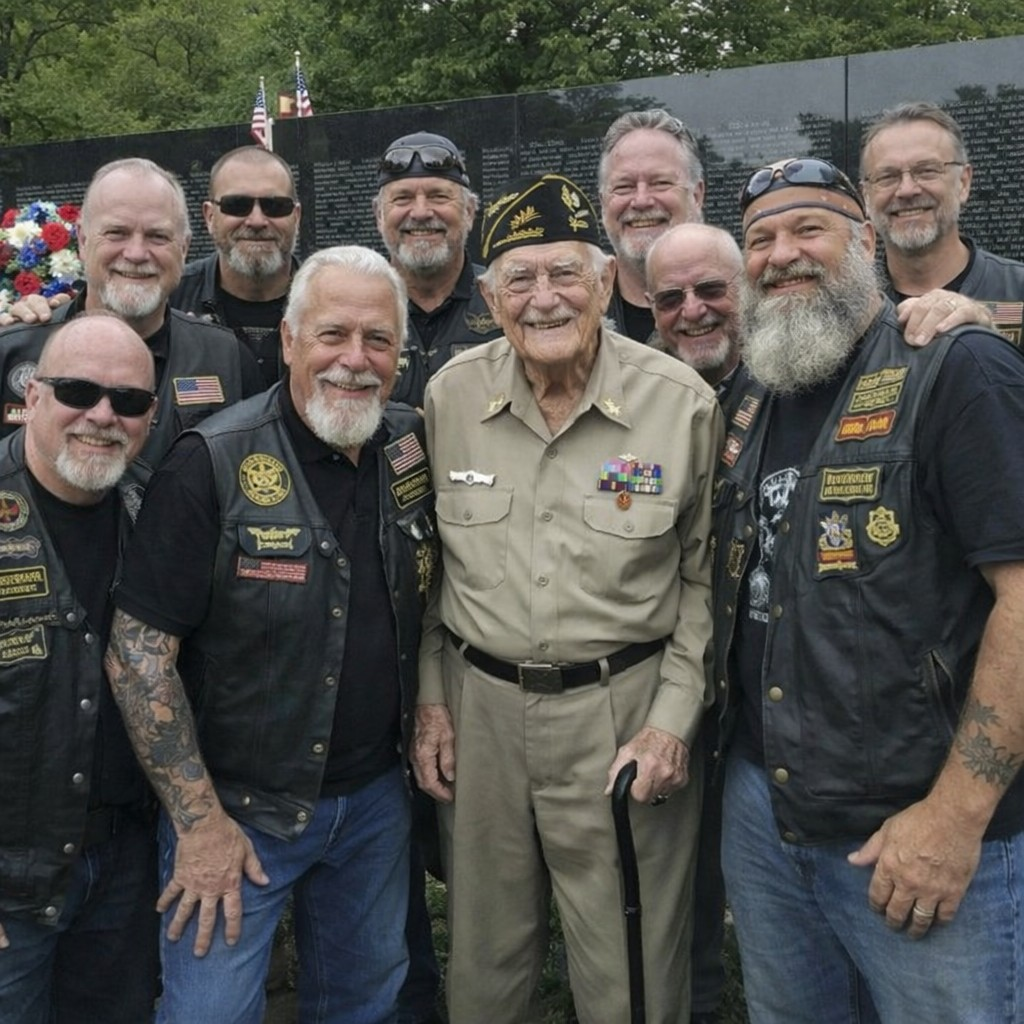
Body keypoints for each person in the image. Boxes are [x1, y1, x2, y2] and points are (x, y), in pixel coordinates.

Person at [714, 156, 1024, 1022]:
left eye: (808, 229)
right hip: (766, 814)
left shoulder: (952, 368)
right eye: (760, 239)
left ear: (864, 242)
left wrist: (955, 819)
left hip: (913, 828)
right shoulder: (751, 395)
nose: (781, 255)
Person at [413, 172, 723, 1024]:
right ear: (489, 297)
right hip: (482, 716)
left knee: (633, 975)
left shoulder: (678, 405)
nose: (543, 299)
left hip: (623, 715)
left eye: (564, 277)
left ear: (604, 284)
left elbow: (705, 583)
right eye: (519, 278)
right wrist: (432, 703)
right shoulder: (450, 398)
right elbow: (430, 570)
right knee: (483, 969)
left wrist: (672, 722)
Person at [106, 245, 438, 1024]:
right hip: (237, 814)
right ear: (288, 340)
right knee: (208, 1015)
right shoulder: (211, 461)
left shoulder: (410, 445)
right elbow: (139, 656)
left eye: (378, 341)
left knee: (364, 1004)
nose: (355, 361)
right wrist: (198, 823)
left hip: (373, 804)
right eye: (332, 335)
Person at [0, 312, 160, 1023]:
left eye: (128, 402)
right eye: (77, 391)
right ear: (31, 395)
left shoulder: (155, 508)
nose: (102, 416)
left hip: (124, 868)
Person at [0, 158, 263, 463]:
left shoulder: (229, 360)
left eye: (158, 236)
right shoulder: (11, 354)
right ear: (83, 241)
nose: (137, 253)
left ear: (184, 248)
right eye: (116, 233)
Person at [860, 101, 1023, 342]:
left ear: (963, 183)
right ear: (866, 195)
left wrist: (989, 338)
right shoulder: (849, 306)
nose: (906, 190)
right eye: (887, 176)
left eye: (927, 170)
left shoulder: (1018, 291)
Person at [374, 130, 502, 407]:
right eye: (402, 198)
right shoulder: (355, 306)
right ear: (379, 217)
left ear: (469, 212)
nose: (420, 212)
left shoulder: (506, 298)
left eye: (438, 197)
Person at [171, 145, 303, 388]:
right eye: (237, 205)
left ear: (296, 217)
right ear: (210, 216)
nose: (256, 221)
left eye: (274, 206)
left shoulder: (328, 301)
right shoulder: (170, 300)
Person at [598, 109, 706, 343]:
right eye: (624, 186)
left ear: (696, 196)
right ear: (603, 203)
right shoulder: (576, 320)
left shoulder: (747, 314)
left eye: (660, 183)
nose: (641, 201)